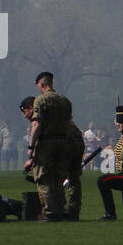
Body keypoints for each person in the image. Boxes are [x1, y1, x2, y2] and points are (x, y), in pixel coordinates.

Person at [26, 71, 73, 221]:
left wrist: (31, 148)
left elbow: (36, 124)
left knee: (43, 178)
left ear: (41, 84)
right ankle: (61, 210)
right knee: (59, 178)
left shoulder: (40, 100)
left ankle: (49, 212)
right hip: (63, 142)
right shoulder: (65, 101)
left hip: (47, 143)